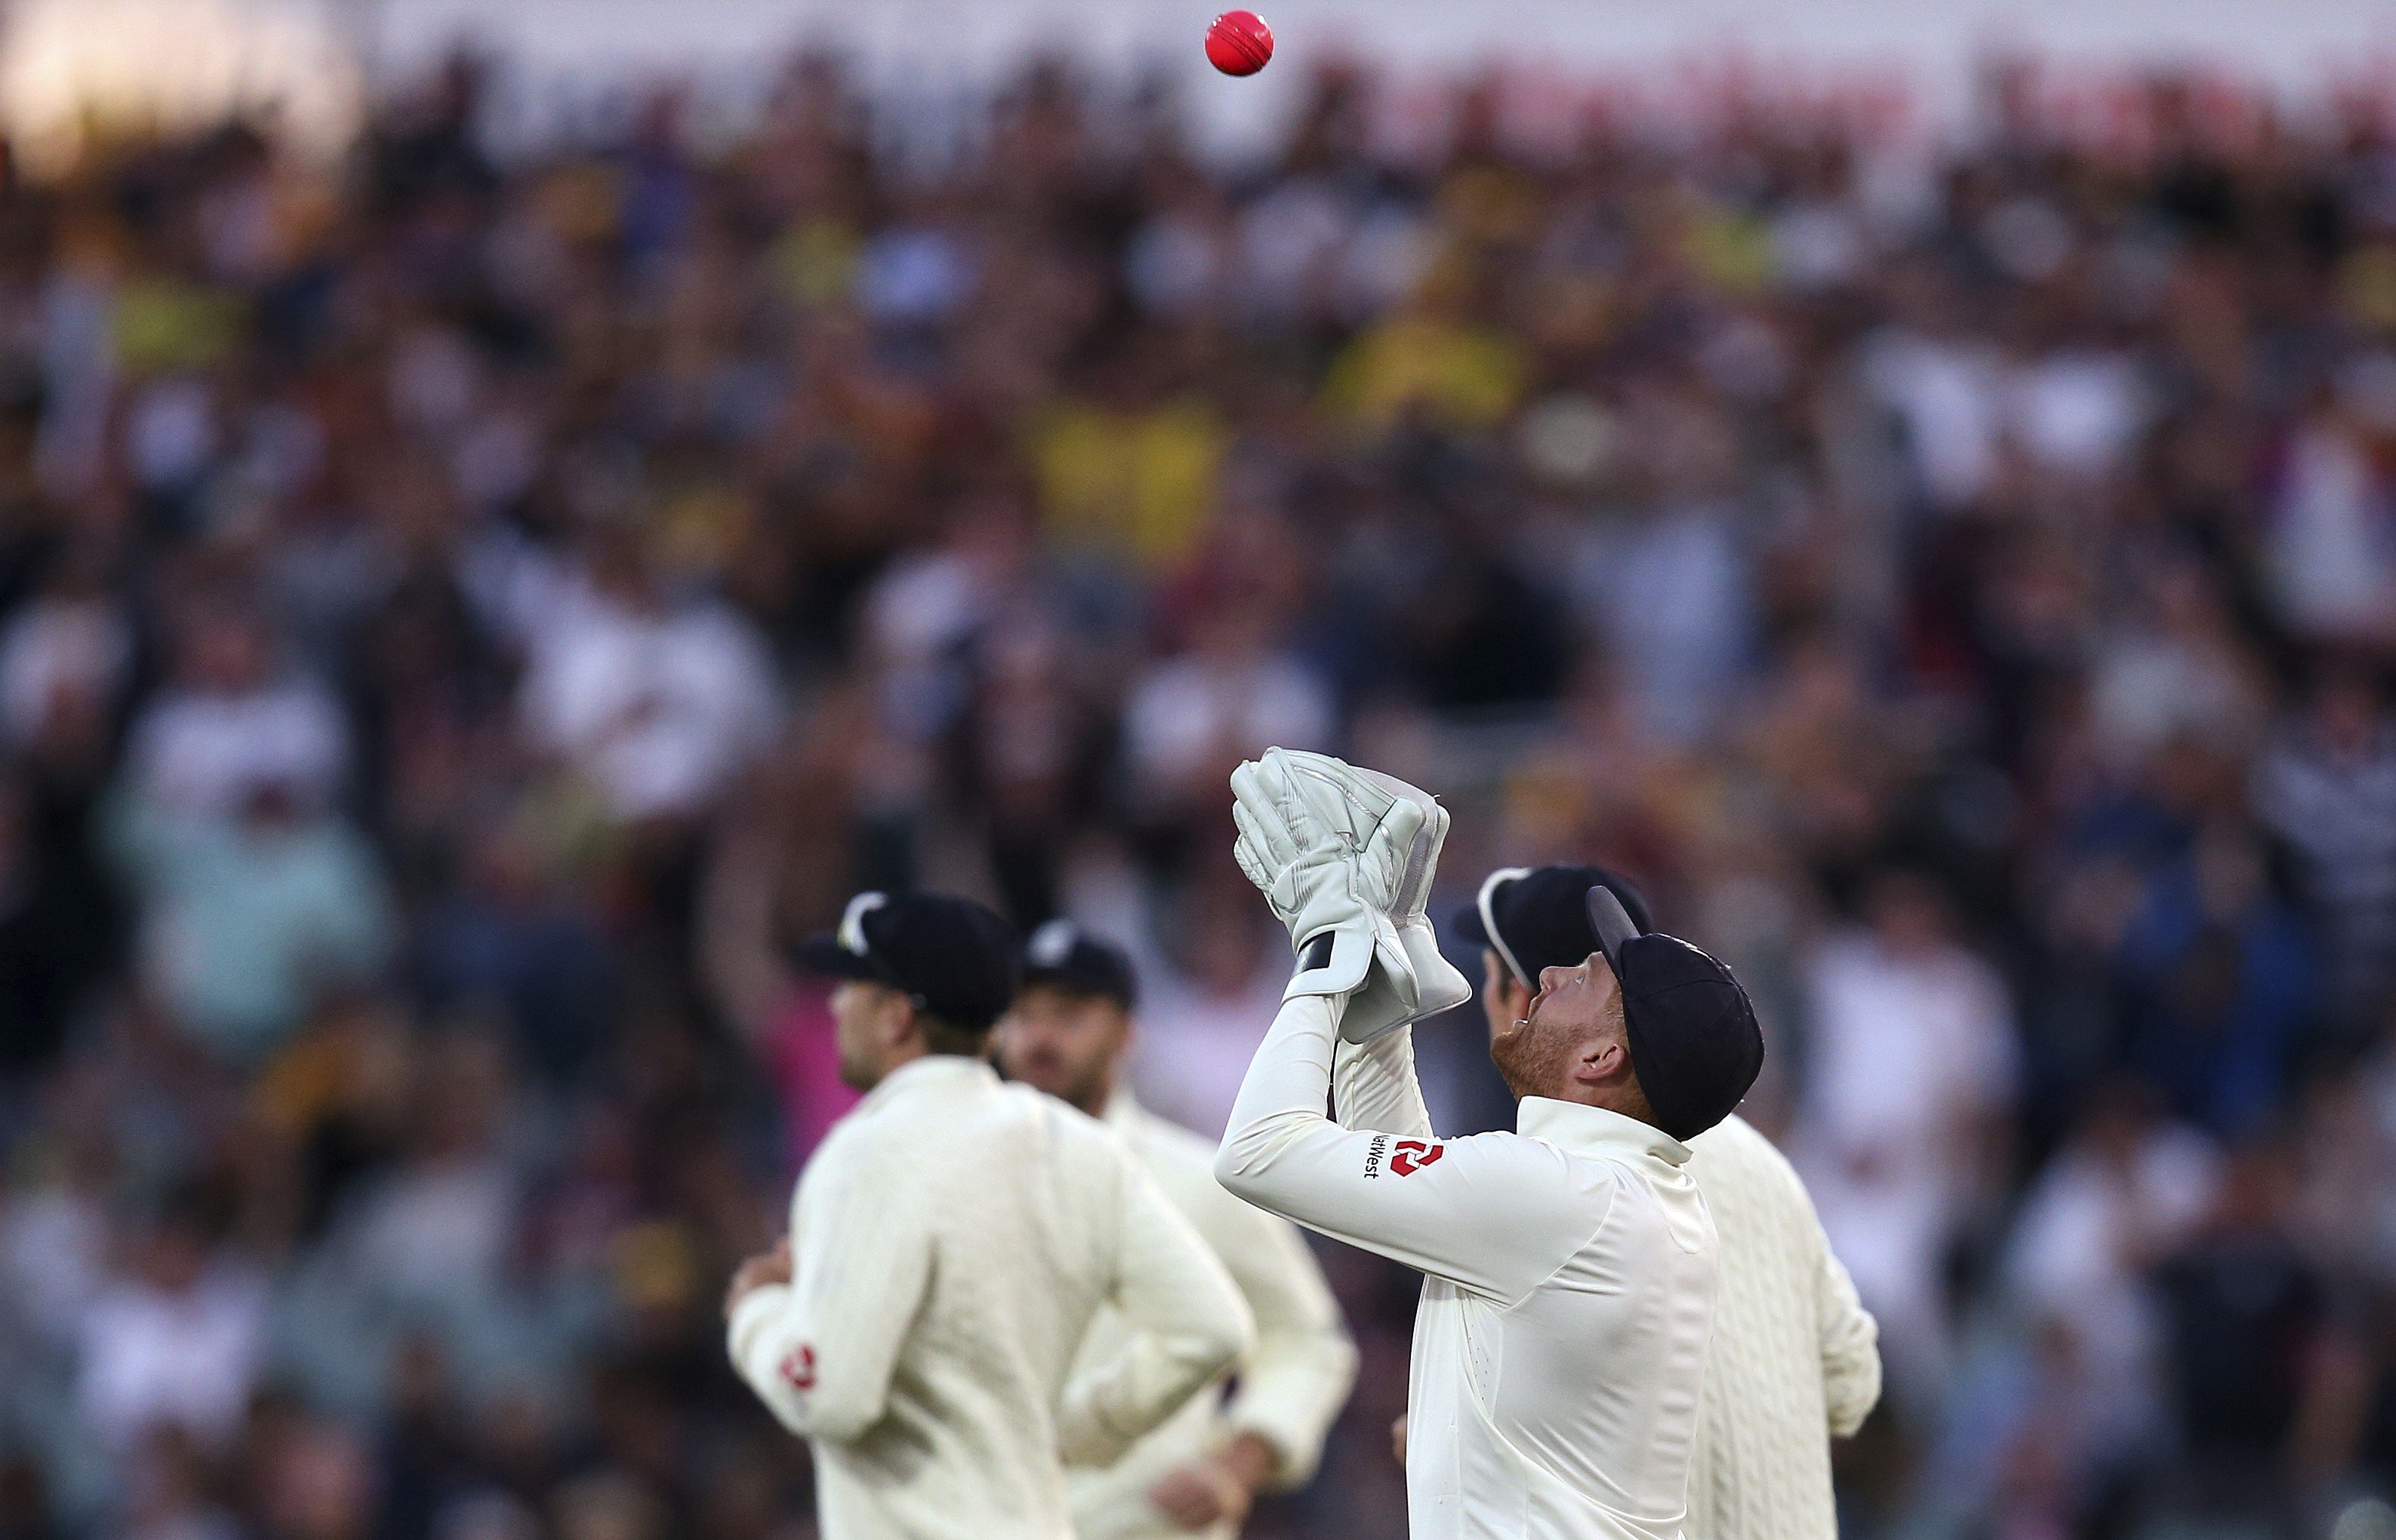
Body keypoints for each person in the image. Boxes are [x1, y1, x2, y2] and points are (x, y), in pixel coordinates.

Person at [1212, 750, 1765, 1540]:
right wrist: (1387, 979)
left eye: (1587, 980)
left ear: (1602, 1058)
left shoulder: (1565, 1196)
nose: (1551, 976)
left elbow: (1257, 1151)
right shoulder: (1619, 1196)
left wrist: (1327, 951)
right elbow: (1404, 1187)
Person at [722, 890, 1255, 1540]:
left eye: (852, 986)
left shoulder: (866, 1153)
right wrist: (1082, 1432)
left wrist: (761, 1315)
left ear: (895, 1017)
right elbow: (1213, 1327)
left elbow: (831, 1397)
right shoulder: (1078, 1146)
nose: (835, 1006)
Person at [1459, 864, 1883, 1540]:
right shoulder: (1765, 1165)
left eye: (1491, 977)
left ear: (1526, 999)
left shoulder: (1550, 1180)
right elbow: (1853, 1382)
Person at [993, 919, 1359, 1540]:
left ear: (1127, 1032)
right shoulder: (965, 1177)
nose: (1041, 1037)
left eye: (1070, 1015)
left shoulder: (1198, 1182)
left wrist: (1238, 1460)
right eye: (1023, 1015)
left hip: (1143, 1523)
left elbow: (1307, 1338)